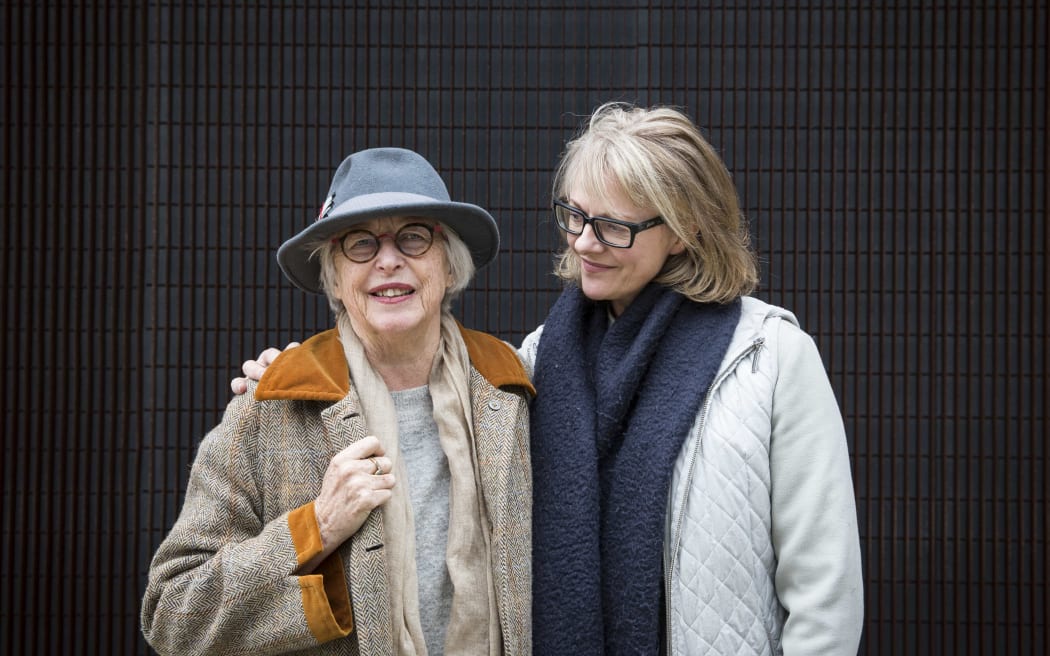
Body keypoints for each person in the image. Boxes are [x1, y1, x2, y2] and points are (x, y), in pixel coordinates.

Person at [234, 103, 865, 655]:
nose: (586, 243)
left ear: (685, 230)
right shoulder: (535, 364)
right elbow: (412, 364)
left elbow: (824, 593)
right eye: (574, 216)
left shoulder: (767, 359)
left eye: (615, 226)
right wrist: (298, 374)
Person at [143, 147, 535, 656]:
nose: (388, 260)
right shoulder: (274, 405)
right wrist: (317, 526)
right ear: (335, 275)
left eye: (414, 237)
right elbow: (172, 615)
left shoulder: (514, 389)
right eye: (360, 243)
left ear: (448, 262)